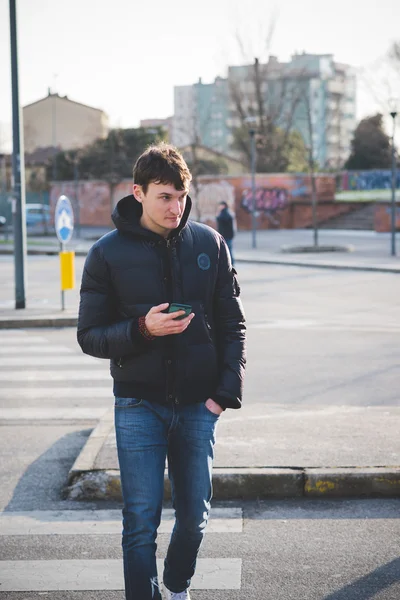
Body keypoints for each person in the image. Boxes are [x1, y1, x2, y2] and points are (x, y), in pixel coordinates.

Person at [77, 143, 246, 600]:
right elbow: (89, 335)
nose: (176, 207)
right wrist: (141, 329)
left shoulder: (210, 243)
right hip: (137, 404)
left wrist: (223, 394)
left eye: (181, 195)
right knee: (139, 521)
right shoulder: (105, 254)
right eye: (164, 196)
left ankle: (176, 585)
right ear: (139, 193)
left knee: (194, 516)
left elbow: (233, 323)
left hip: (198, 404)